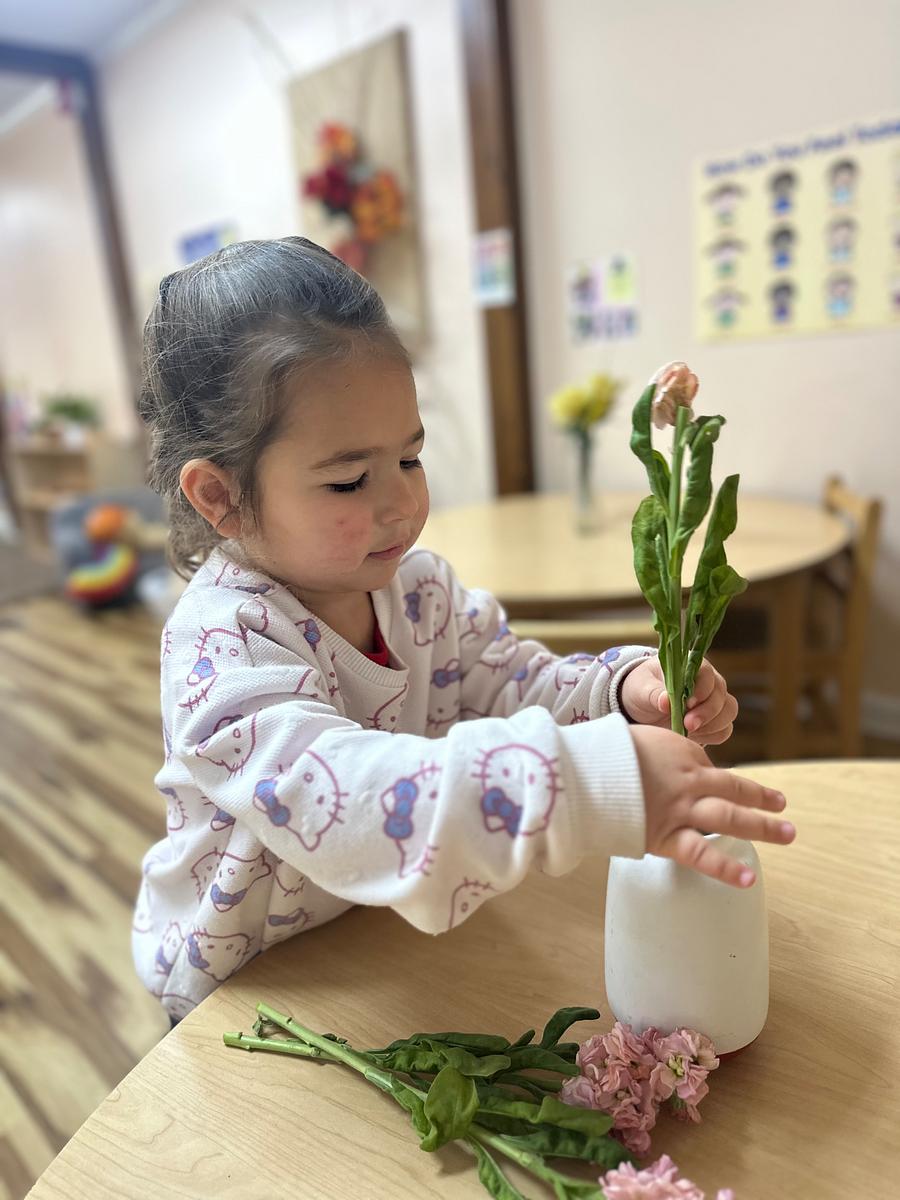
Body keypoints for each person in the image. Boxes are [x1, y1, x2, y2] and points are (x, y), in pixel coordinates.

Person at [133, 237, 794, 1021]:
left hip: (372, 940)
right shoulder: (222, 646)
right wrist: (586, 784)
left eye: (409, 460)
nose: (400, 505)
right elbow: (348, 798)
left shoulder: (420, 592)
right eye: (349, 479)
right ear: (219, 496)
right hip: (247, 987)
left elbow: (515, 682)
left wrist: (620, 690)